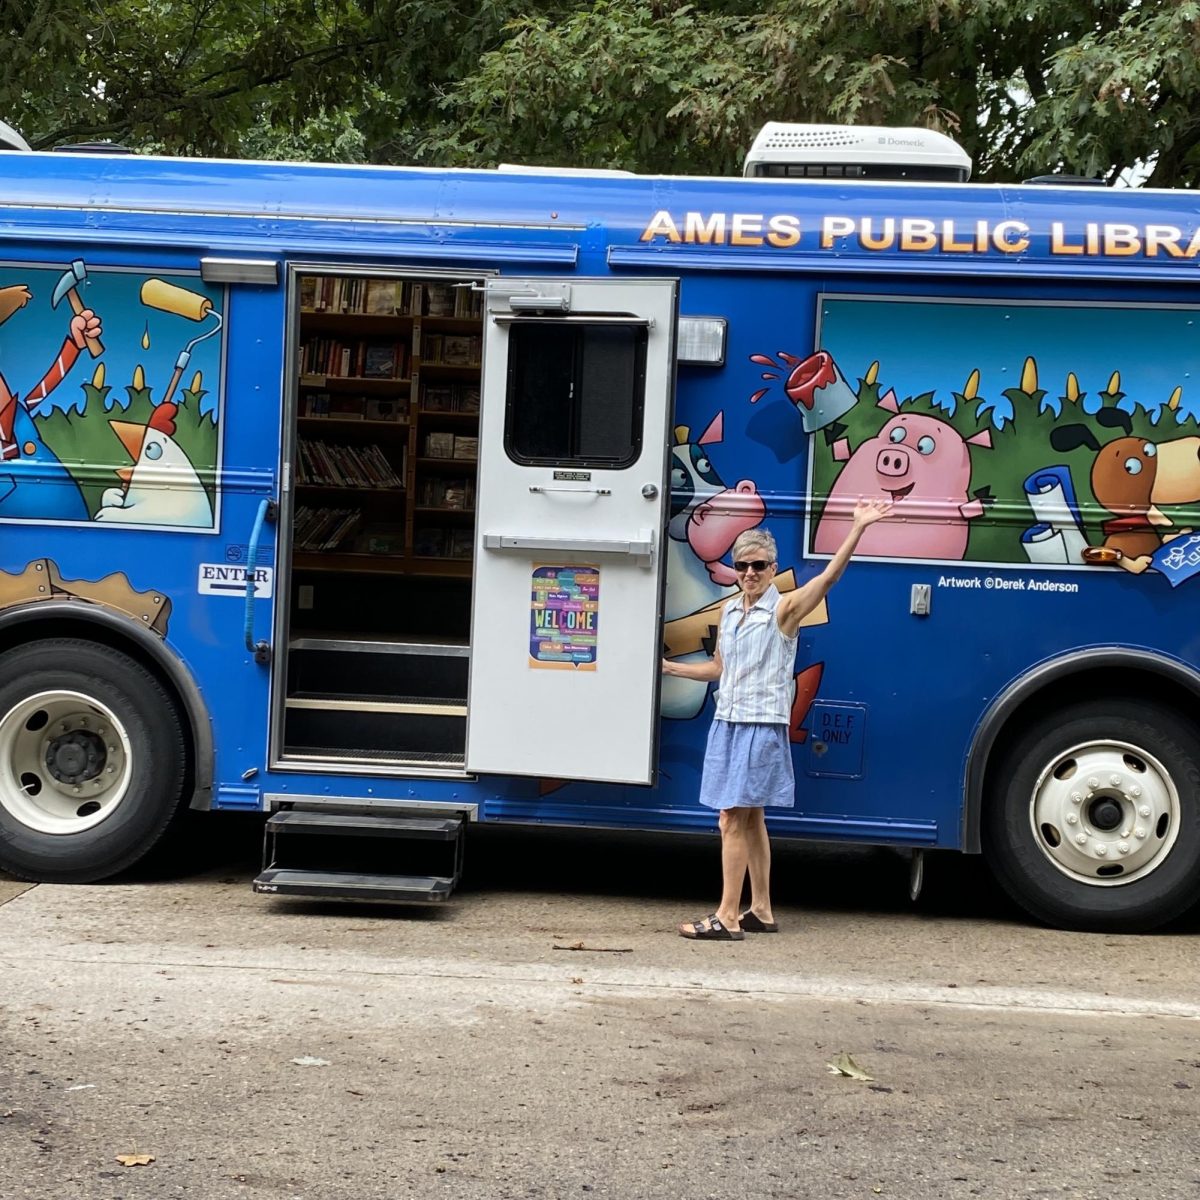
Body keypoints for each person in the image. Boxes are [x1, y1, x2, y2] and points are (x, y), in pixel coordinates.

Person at [663, 498, 891, 941]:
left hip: (759, 726)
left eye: (760, 565)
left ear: (773, 568)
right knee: (752, 819)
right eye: (743, 565)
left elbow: (827, 579)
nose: (750, 573)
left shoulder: (783, 610)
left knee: (731, 818)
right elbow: (719, 670)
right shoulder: (731, 611)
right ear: (735, 567)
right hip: (728, 722)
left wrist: (858, 528)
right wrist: (671, 669)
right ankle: (761, 909)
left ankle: (727, 917)